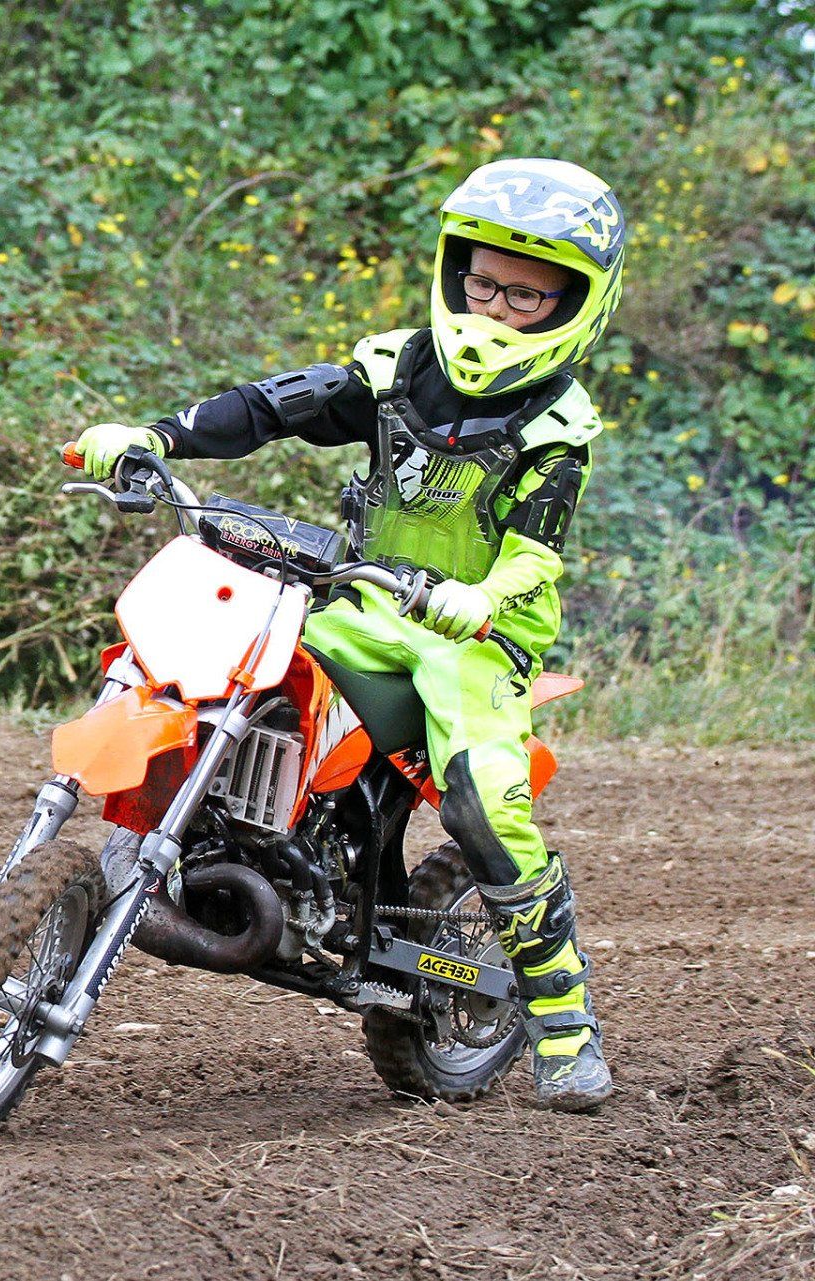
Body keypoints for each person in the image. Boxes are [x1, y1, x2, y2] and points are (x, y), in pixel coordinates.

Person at [73, 158, 626, 1111]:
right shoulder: (396, 365)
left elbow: (538, 553)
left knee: (488, 807)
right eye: (482, 280)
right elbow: (270, 407)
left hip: (475, 639)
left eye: (526, 294)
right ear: (455, 270)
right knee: (233, 662)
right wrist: (157, 437)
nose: (494, 306)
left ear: (576, 302)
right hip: (363, 602)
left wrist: (484, 595)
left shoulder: (555, 422)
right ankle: (222, 836)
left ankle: (565, 1026)